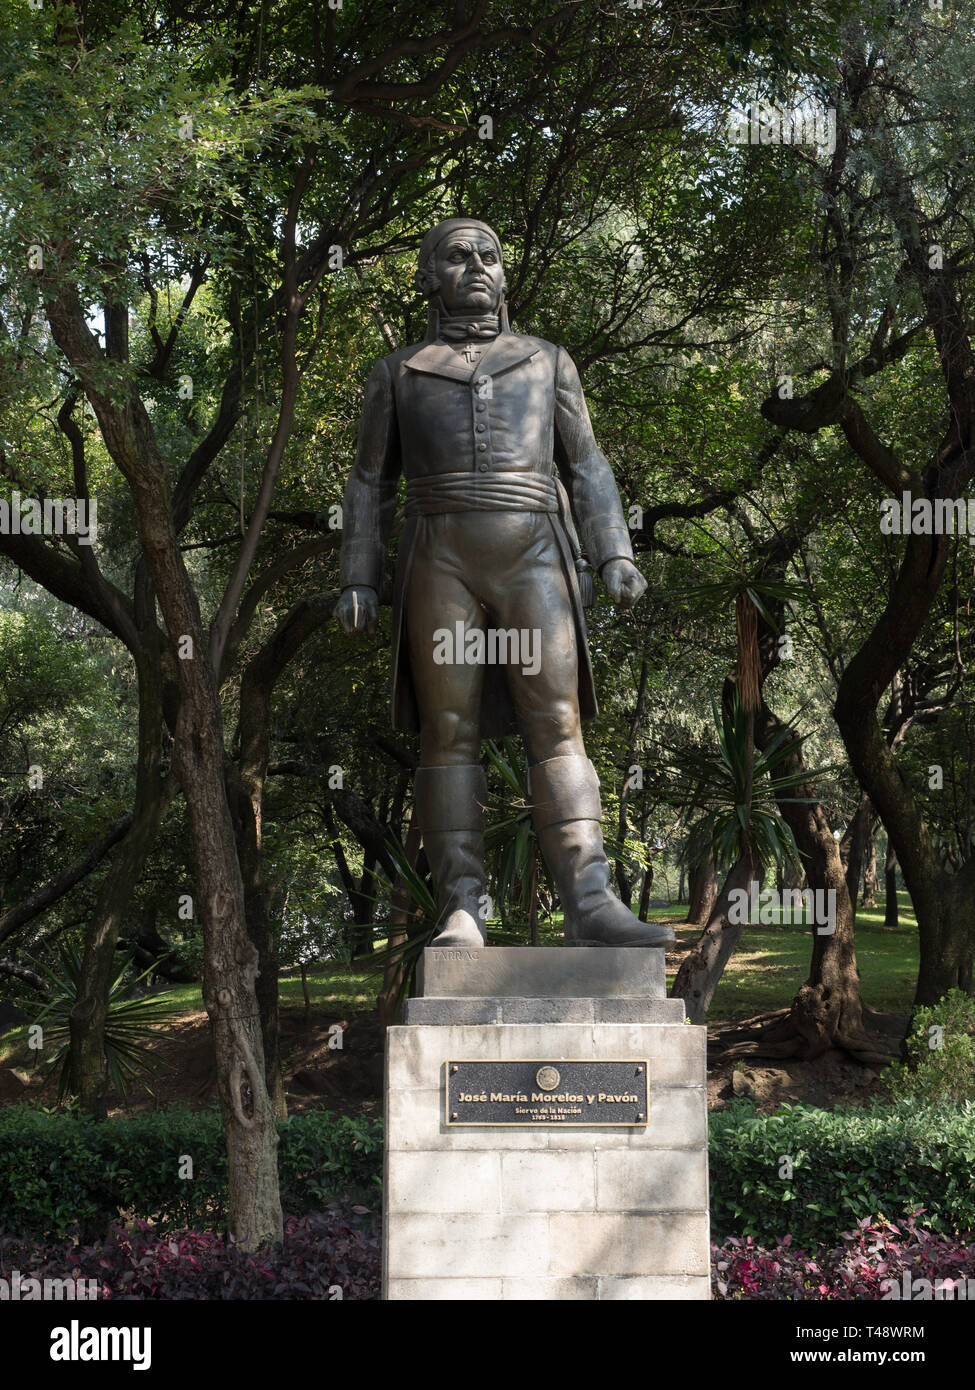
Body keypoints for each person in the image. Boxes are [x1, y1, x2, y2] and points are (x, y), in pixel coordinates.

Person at [335, 217, 672, 950]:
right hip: (438, 559)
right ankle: (461, 907)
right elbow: (368, 481)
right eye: (458, 257)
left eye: (488, 255)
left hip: (534, 555)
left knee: (556, 723)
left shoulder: (547, 361)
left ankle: (589, 901)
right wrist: (359, 575)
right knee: (446, 730)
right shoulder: (397, 371)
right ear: (428, 277)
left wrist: (613, 551)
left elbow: (586, 465)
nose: (478, 267)